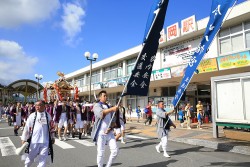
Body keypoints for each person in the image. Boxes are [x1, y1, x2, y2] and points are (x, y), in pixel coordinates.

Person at [21, 100, 55, 167]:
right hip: (34, 141)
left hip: (45, 141)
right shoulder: (32, 116)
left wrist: (52, 137)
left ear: (44, 106)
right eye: (36, 105)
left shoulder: (48, 116)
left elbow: (51, 127)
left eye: (39, 105)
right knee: (30, 158)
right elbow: (26, 128)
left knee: (43, 159)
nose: (37, 107)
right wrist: (24, 138)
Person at [93, 90, 119, 167]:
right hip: (100, 133)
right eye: (104, 96)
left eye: (106, 96)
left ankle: (108, 165)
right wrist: (112, 109)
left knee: (115, 151)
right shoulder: (96, 105)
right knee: (101, 153)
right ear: (100, 97)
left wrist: (111, 127)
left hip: (109, 132)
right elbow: (101, 113)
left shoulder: (108, 106)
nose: (106, 97)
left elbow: (113, 120)